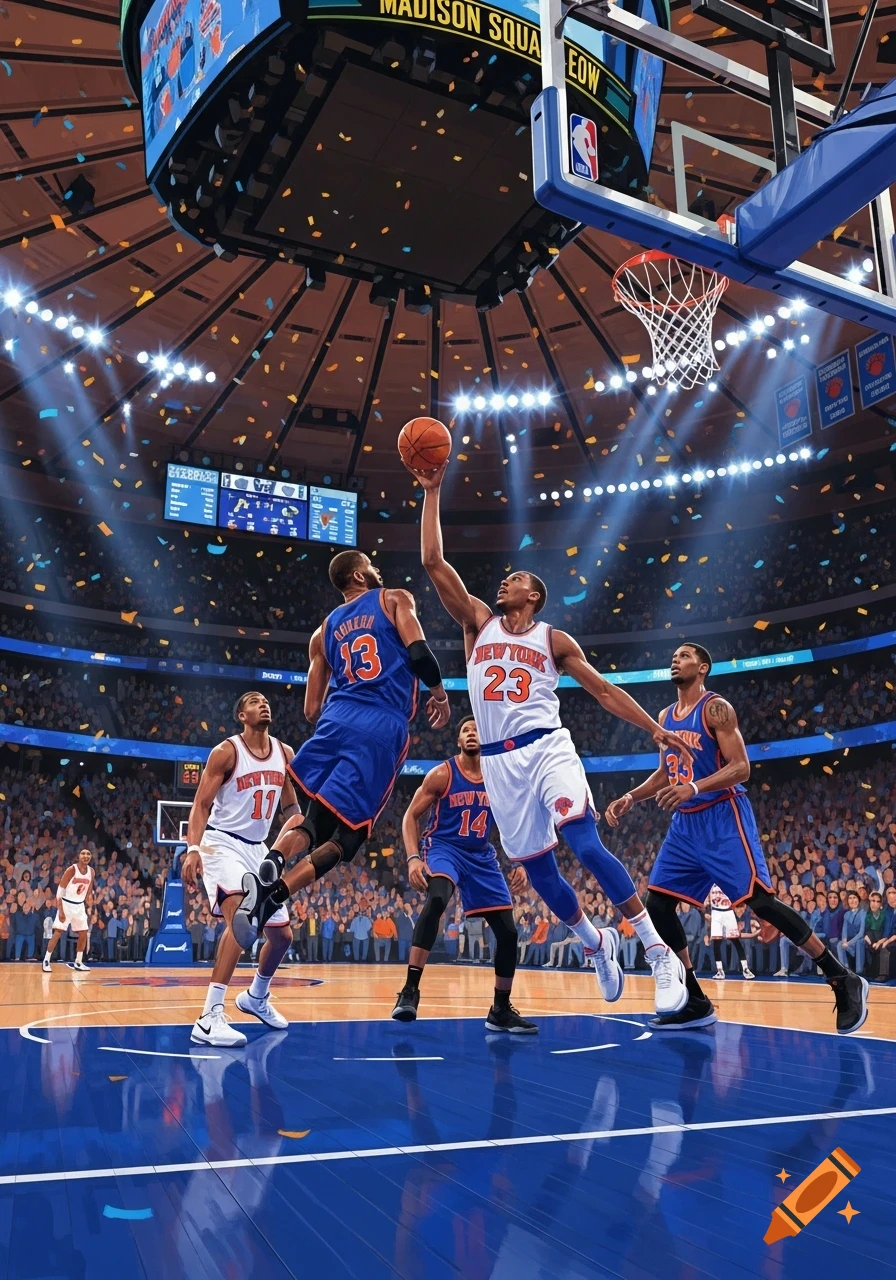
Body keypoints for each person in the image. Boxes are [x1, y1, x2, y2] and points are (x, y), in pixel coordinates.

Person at [409, 460, 690, 1019]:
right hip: (497, 766)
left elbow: (604, 691)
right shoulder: (477, 623)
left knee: (584, 844)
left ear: (533, 596)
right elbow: (433, 561)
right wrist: (434, 491)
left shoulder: (552, 638)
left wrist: (655, 728)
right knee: (541, 873)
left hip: (547, 748)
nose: (504, 581)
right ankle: (595, 942)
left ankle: (658, 954)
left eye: (515, 579)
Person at [605, 642, 869, 1033]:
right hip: (686, 825)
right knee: (657, 905)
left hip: (723, 815)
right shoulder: (664, 716)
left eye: (685, 656)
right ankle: (694, 997)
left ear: (703, 667)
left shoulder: (716, 708)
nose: (676, 659)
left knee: (759, 902)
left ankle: (841, 976)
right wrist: (631, 796)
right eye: (673, 655)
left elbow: (742, 767)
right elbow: (667, 772)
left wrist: (694, 788)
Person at [230, 550, 451, 947]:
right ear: (358, 575)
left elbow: (311, 709)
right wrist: (438, 693)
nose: (378, 568)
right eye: (371, 564)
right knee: (348, 838)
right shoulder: (394, 598)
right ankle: (273, 896)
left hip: (335, 720)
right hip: (380, 724)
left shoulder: (323, 631)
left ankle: (273, 862)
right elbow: (419, 653)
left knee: (313, 818)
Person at [392, 717, 536, 1032]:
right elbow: (410, 816)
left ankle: (500, 1009)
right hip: (444, 847)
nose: (472, 732)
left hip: (481, 855)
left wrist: (522, 862)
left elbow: (515, 822)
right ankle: (410, 990)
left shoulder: (498, 778)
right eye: (465, 730)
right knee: (438, 897)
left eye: (476, 729)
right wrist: (414, 858)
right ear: (459, 741)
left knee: (509, 933)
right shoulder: (442, 774)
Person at [181, 691, 300, 1047]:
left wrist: (286, 845)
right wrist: (192, 849)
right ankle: (208, 1016)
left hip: (259, 849)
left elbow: (292, 810)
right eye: (252, 701)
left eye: (266, 700)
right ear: (241, 715)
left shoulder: (285, 754)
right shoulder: (226, 752)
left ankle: (256, 998)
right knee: (241, 918)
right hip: (221, 843)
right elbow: (201, 804)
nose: (263, 703)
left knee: (282, 937)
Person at [42, 848, 93, 973]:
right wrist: (60, 909)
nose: (85, 856)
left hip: (79, 905)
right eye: (83, 853)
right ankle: (46, 960)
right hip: (66, 904)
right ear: (79, 856)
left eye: (88, 854)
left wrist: (89, 903)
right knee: (58, 932)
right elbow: (60, 890)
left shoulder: (91, 871)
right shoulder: (72, 870)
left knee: (83, 932)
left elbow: (89, 889)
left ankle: (78, 961)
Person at [708, 884, 754, 980]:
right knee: (716, 943)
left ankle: (745, 968)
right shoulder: (710, 879)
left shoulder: (726, 877)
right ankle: (720, 970)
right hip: (716, 913)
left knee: (735, 941)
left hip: (728, 912)